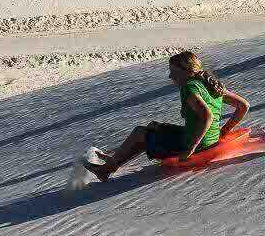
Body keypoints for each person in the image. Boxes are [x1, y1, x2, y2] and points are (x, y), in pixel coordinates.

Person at [83, 51, 249, 181]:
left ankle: (106, 169)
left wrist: (190, 148)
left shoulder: (190, 88)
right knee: (153, 126)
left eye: (173, 72)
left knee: (140, 132)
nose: (170, 77)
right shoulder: (211, 84)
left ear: (186, 71)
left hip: (194, 145)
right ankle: (114, 162)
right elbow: (244, 106)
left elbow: (207, 116)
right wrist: (224, 131)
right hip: (206, 139)